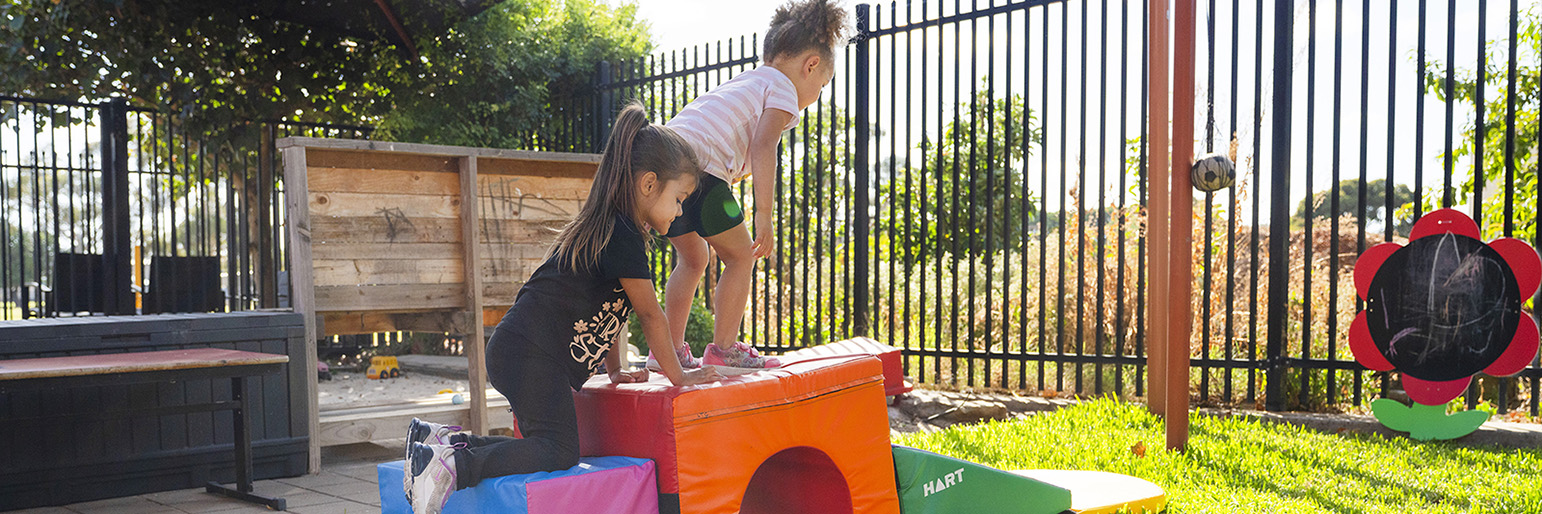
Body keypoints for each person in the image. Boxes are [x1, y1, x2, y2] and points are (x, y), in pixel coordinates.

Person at [402, 103, 724, 514]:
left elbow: (608, 308)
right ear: (648, 184)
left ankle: (440, 443)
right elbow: (648, 313)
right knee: (558, 451)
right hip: (531, 353)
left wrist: (613, 369)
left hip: (522, 350)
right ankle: (456, 466)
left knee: (542, 444)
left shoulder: (614, 228)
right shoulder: (621, 232)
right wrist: (679, 375)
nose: (680, 211)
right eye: (679, 199)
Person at [647, 0, 849, 371]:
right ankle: (724, 350)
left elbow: (725, 135)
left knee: (692, 259)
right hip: (701, 172)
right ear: (811, 66)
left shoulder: (748, 79)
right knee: (741, 256)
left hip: (666, 166)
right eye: (821, 85)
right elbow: (763, 144)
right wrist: (764, 213)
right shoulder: (784, 89)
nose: (817, 94)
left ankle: (668, 352)